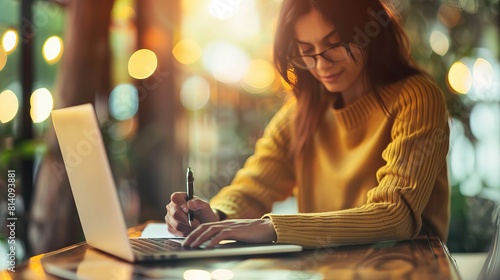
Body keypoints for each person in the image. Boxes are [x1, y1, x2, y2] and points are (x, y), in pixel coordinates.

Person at [165, 0, 450, 249]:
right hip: (325, 271)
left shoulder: (417, 98)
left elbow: (395, 215)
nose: (321, 64)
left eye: (334, 44)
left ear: (370, 35)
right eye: (306, 50)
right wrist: (216, 215)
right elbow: (254, 186)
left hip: (407, 270)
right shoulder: (301, 111)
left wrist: (273, 228)